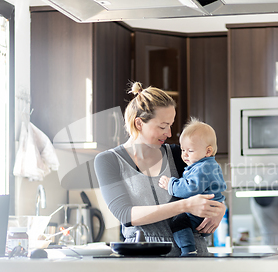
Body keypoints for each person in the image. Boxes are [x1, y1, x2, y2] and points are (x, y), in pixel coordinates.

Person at [93, 82, 225, 256]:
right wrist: (185, 205)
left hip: (194, 260)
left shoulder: (179, 154)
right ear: (139, 123)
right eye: (163, 126)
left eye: (170, 125)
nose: (169, 133)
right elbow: (126, 215)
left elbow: (210, 180)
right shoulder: (108, 161)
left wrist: (218, 207)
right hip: (143, 262)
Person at [158, 118, 226, 256]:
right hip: (208, 212)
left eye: (190, 150)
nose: (184, 155)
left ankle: (188, 250)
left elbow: (190, 188)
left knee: (179, 222)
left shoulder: (203, 167)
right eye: (183, 149)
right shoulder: (207, 164)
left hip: (201, 214)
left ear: (208, 151)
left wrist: (171, 184)